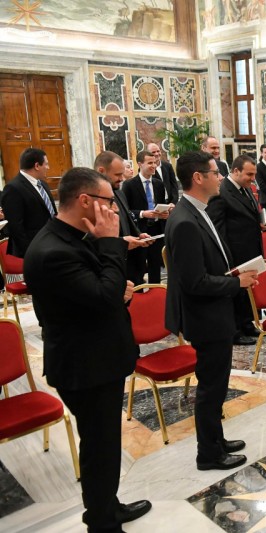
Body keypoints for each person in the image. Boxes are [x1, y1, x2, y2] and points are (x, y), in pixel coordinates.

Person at [24, 167, 151, 532]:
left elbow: (99, 289)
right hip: (86, 365)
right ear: (85, 201)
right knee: (100, 448)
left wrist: (113, 277)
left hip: (96, 357)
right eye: (109, 201)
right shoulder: (51, 250)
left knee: (104, 443)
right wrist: (112, 247)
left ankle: (106, 506)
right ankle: (101, 521)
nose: (114, 209)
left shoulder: (69, 236)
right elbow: (102, 296)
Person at [165, 151, 257, 471]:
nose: (220, 177)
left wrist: (233, 275)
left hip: (215, 313)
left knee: (217, 384)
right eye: (215, 172)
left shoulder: (198, 210)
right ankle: (208, 453)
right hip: (206, 317)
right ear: (198, 178)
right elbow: (194, 282)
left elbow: (208, 264)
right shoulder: (185, 221)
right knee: (210, 388)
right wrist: (236, 284)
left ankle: (216, 439)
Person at [207, 154, 265, 346]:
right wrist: (226, 257)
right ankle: (235, 330)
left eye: (254, 174)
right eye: (249, 174)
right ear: (235, 171)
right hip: (234, 253)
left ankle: (247, 323)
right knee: (235, 292)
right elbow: (218, 228)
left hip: (249, 250)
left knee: (246, 290)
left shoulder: (244, 188)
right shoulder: (222, 192)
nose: (252, 178)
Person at [94, 151, 152, 281]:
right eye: (117, 174)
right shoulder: (93, 199)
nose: (121, 178)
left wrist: (139, 235)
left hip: (131, 264)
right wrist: (121, 243)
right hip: (111, 267)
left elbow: (128, 219)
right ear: (101, 170)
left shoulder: (119, 192)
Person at [122, 150, 170, 285]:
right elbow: (126, 211)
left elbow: (160, 205)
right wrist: (143, 213)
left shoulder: (159, 184)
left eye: (155, 162)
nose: (154, 166)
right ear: (140, 164)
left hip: (157, 230)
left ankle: (155, 295)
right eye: (150, 163)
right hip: (139, 231)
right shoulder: (129, 185)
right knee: (139, 268)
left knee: (156, 266)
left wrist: (164, 213)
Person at [0, 148, 56, 258]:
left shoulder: (43, 184)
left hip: (52, 243)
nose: (48, 168)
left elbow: (52, 213)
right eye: (46, 164)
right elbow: (15, 226)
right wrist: (30, 252)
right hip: (34, 249)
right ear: (37, 166)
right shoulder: (13, 188)